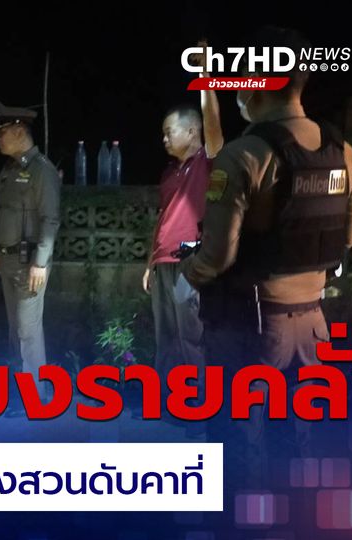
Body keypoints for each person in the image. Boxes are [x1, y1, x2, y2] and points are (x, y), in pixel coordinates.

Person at [180, 26, 352, 485]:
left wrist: (188, 270)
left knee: (237, 446)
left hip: (252, 328)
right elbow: (348, 238)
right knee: (297, 445)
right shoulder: (344, 153)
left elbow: (217, 257)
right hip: (314, 326)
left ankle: (239, 518)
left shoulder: (246, 156)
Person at [145, 43, 223, 425]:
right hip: (162, 264)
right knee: (166, 340)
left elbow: (213, 124)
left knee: (190, 338)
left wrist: (206, 77)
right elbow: (162, 219)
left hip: (189, 263)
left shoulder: (207, 161)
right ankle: (168, 405)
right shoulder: (169, 173)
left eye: (168, 132)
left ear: (191, 131)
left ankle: (197, 410)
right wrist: (149, 263)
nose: (163, 138)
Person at [0, 101, 60, 410]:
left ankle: (33, 395)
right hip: (7, 261)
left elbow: (50, 219)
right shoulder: (9, 170)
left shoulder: (42, 170)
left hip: (30, 262)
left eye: (2, 132)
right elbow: (4, 214)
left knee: (27, 330)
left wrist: (40, 262)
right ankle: (22, 389)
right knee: (15, 327)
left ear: (19, 131)